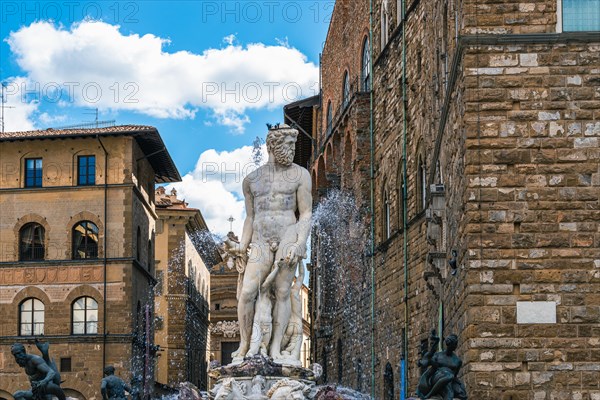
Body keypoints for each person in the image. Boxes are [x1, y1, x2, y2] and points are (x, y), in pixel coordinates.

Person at [230, 124, 312, 363]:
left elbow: (306, 214)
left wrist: (300, 242)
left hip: (288, 237)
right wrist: (242, 245)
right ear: (273, 145)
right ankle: (245, 344)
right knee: (247, 293)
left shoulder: (300, 175)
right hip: (260, 241)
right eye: (289, 144)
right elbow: (250, 217)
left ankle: (276, 348)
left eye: (294, 144)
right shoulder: (251, 180)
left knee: (283, 291)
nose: (293, 149)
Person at [417, 334, 467, 400]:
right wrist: (421, 363)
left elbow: (455, 376)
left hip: (449, 380)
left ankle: (433, 395)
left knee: (462, 393)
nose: (456, 346)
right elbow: (427, 362)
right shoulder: (438, 355)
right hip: (437, 377)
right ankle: (429, 395)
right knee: (449, 383)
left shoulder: (458, 361)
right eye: (455, 344)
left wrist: (460, 384)